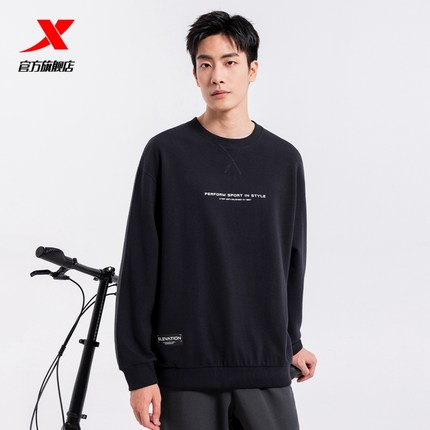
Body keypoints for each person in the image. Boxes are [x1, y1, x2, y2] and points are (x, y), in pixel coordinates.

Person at [115, 10, 317, 430]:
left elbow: (291, 261)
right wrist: (139, 371)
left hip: (263, 362)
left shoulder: (283, 160)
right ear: (195, 74)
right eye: (205, 64)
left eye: (229, 62)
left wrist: (291, 341)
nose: (217, 76)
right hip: (186, 366)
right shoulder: (166, 154)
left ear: (253, 70)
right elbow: (140, 264)